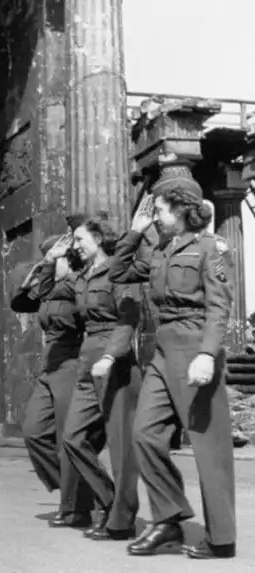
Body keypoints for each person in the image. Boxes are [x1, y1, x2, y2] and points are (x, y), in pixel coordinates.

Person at [109, 173, 236, 559]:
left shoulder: (211, 247)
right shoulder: (160, 250)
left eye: (160, 209)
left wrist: (207, 354)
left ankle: (221, 538)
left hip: (195, 347)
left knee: (209, 446)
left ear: (181, 208)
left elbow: (219, 306)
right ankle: (168, 518)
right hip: (163, 351)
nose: (156, 217)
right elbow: (117, 272)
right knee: (145, 434)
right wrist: (135, 232)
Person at [54, 215, 142, 541]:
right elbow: (35, 295)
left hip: (114, 361)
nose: (75, 245)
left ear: (99, 238)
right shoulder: (81, 276)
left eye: (79, 239)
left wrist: (110, 355)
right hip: (88, 359)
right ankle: (108, 500)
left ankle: (121, 520)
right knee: (73, 438)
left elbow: (128, 318)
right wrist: (50, 261)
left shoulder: (120, 271)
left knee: (120, 447)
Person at [13, 229, 95, 528]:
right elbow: (20, 303)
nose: (51, 261)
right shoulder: (50, 288)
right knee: (34, 432)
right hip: (50, 366)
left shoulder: (80, 285)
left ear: (68, 259)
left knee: (67, 438)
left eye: (56, 257)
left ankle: (76, 506)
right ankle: (84, 492)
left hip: (72, 364)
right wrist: (45, 267)